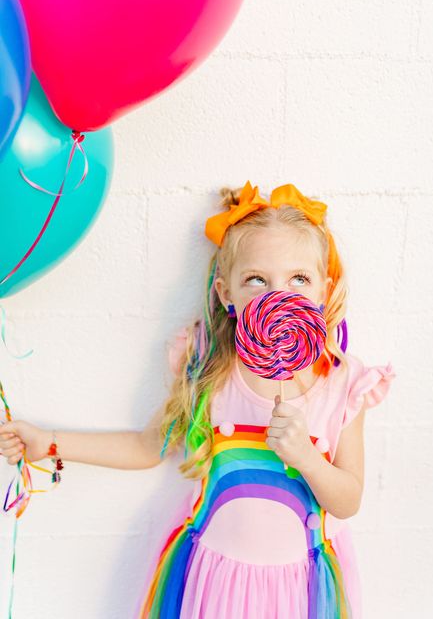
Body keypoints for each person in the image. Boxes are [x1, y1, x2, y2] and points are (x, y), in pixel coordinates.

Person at [0, 180, 396, 619]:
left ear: (324, 288)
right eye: (256, 280)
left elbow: (348, 500)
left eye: (298, 279)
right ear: (227, 295)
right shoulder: (210, 370)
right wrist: (48, 442)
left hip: (299, 591)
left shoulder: (342, 383)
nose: (276, 295)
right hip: (213, 583)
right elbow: (149, 446)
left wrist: (306, 456)